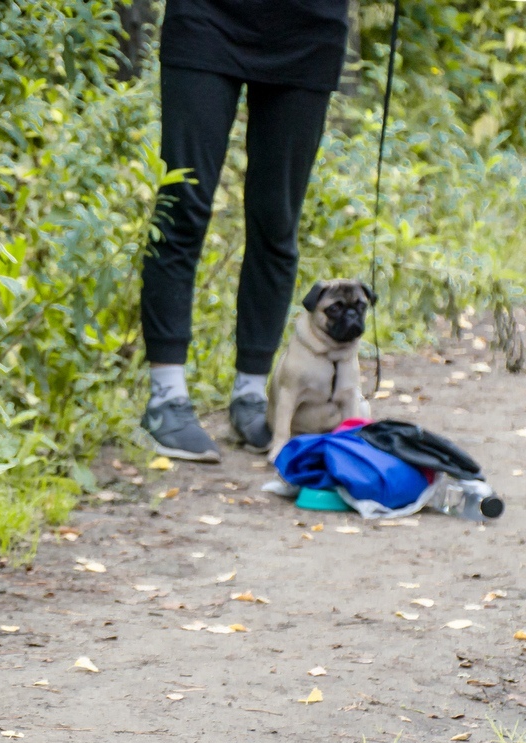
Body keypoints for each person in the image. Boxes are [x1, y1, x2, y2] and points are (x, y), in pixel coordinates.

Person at [138, 0, 350, 462]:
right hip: (208, 17)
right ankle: (165, 398)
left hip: (310, 29)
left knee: (277, 220)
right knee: (183, 206)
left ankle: (252, 395)